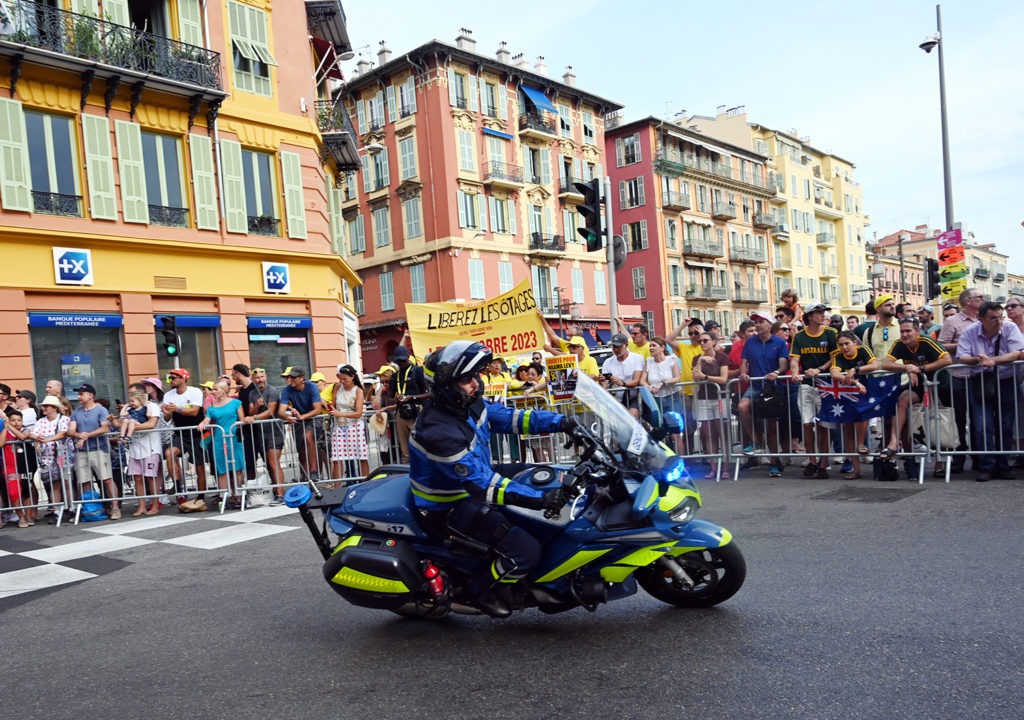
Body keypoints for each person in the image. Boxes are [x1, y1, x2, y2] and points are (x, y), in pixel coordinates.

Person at [408, 340, 577, 617]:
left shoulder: (469, 406)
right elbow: (481, 485)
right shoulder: (437, 431)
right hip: (449, 504)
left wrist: (562, 423)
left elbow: (512, 418)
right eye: (466, 379)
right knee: (525, 549)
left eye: (475, 375)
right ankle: (481, 589)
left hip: (475, 482)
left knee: (544, 478)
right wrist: (540, 500)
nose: (475, 383)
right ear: (444, 387)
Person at [955, 301, 1024, 481]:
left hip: (1007, 381)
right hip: (980, 381)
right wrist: (978, 360)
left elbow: (1016, 353)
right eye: (993, 318)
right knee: (982, 424)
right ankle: (986, 465)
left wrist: (993, 360)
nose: (998, 321)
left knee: (1006, 424)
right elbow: (962, 356)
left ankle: (1003, 465)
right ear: (980, 318)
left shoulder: (1009, 328)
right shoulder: (970, 331)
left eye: (1000, 317)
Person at [880, 317, 951, 476]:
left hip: (939, 385)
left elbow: (947, 359)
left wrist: (921, 368)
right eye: (902, 331)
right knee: (902, 400)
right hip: (919, 386)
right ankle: (893, 444)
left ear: (917, 331)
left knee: (937, 421)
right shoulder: (899, 344)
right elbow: (885, 363)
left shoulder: (926, 341)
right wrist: (908, 368)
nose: (904, 334)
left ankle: (939, 462)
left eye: (908, 331)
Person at [938, 287, 986, 473]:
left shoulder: (984, 318)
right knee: (958, 418)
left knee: (979, 418)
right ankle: (959, 456)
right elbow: (941, 346)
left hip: (980, 376)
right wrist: (963, 345)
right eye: (979, 297)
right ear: (968, 301)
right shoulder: (953, 321)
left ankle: (978, 457)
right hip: (959, 376)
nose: (983, 299)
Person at [789, 303, 839, 479]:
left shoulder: (831, 333)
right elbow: (794, 360)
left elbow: (835, 357)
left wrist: (819, 369)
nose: (822, 315)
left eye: (823, 312)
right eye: (818, 312)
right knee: (807, 424)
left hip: (825, 384)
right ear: (809, 316)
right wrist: (795, 374)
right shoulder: (800, 337)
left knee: (823, 426)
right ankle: (812, 460)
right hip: (806, 385)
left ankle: (824, 463)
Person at [738, 312, 790, 477]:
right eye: (756, 322)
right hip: (755, 386)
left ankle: (774, 463)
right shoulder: (750, 342)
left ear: (769, 324)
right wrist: (743, 373)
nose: (758, 325)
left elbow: (783, 365)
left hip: (773, 388)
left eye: (761, 322)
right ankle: (756, 442)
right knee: (742, 406)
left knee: (771, 427)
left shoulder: (780, 342)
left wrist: (776, 372)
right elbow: (744, 363)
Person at [830, 331, 879, 479]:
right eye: (841, 345)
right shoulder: (838, 356)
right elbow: (834, 373)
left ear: (855, 343)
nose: (844, 347)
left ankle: (861, 443)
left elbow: (875, 365)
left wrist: (856, 370)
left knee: (862, 415)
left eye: (847, 344)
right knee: (848, 429)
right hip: (847, 393)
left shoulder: (863, 350)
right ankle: (856, 469)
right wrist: (854, 381)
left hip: (864, 392)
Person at [235, 364, 286, 504]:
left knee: (273, 462)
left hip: (274, 431)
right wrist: (256, 406)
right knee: (266, 463)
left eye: (262, 377)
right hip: (259, 433)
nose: (260, 380)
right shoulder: (252, 393)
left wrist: (255, 418)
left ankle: (280, 494)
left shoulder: (272, 391)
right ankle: (273, 491)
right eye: (257, 377)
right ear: (253, 378)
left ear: (266, 377)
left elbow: (270, 411)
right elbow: (251, 412)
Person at [68, 383, 120, 519]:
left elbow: (105, 428)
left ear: (90, 395)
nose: (78, 396)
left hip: (98, 449)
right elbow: (71, 430)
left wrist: (86, 435)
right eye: (78, 394)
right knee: (84, 481)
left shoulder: (101, 410)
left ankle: (115, 507)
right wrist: (79, 435)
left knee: (106, 479)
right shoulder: (76, 412)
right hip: (82, 451)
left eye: (81, 394)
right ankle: (89, 510)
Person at [161, 368, 209, 508]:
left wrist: (178, 409)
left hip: (196, 433)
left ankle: (201, 496)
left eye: (174, 378)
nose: (171, 380)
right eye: (170, 378)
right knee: (170, 453)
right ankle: (178, 486)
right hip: (180, 432)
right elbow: (168, 417)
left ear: (183, 379)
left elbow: (194, 411)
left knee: (199, 467)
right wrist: (167, 413)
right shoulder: (168, 395)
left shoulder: (195, 391)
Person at [377, 346, 428, 465]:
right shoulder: (395, 376)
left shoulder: (418, 371)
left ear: (408, 358)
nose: (400, 363)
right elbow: (388, 398)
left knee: (422, 445)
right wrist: (395, 399)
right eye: (398, 361)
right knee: (405, 449)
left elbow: (430, 392)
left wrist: (413, 397)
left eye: (402, 360)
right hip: (401, 413)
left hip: (418, 410)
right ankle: (408, 475)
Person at [690, 331, 731, 478]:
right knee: (709, 434)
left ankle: (725, 467)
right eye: (700, 341)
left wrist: (706, 377)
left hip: (720, 398)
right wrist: (701, 361)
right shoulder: (697, 358)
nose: (702, 343)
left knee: (723, 433)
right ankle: (713, 468)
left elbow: (724, 378)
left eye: (705, 340)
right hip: (703, 399)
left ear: (713, 342)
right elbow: (696, 378)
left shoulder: (722, 357)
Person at [197, 380, 245, 504]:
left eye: (215, 389)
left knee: (237, 468)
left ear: (224, 391)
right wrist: (202, 423)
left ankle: (238, 495)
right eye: (213, 389)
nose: (213, 392)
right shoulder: (212, 406)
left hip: (234, 437)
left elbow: (242, 419)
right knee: (222, 469)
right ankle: (224, 498)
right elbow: (207, 419)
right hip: (219, 439)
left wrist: (241, 426)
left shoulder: (236, 403)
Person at [115, 389, 162, 515]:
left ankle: (155, 505)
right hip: (136, 448)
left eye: (132, 397)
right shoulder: (131, 409)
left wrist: (131, 426)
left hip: (150, 447)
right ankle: (141, 506)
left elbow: (151, 424)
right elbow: (119, 424)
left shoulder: (151, 406)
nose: (130, 401)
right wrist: (114, 420)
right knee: (137, 478)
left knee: (150, 477)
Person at [278, 366, 324, 482]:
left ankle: (314, 471)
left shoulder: (311, 386)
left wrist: (302, 416)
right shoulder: (287, 390)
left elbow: (318, 409)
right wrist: (286, 417)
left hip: (313, 418)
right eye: (289, 377)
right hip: (298, 421)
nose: (290, 379)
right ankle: (305, 479)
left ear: (302, 378)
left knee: (308, 436)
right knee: (302, 452)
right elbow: (280, 411)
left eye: (294, 377)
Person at [30, 396, 71, 523]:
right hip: (47, 457)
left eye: (46, 406)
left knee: (67, 483)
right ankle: (56, 510)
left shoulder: (64, 419)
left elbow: (63, 433)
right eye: (43, 406)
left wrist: (47, 439)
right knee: (54, 485)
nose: (43, 408)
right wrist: (37, 437)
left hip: (63, 455)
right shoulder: (41, 421)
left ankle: (71, 508)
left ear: (54, 408)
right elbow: (32, 433)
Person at [329, 365, 369, 480]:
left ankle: (366, 482)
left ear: (352, 377)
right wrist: (330, 410)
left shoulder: (358, 390)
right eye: (340, 378)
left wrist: (340, 413)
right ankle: (336, 487)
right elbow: (334, 405)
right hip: (339, 425)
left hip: (355, 426)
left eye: (344, 379)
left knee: (361, 456)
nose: (342, 381)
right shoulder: (338, 386)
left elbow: (358, 413)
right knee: (336, 458)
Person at [598, 333, 644, 416]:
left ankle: (641, 425)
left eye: (619, 347)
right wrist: (602, 381)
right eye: (614, 347)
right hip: (616, 398)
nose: (616, 350)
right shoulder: (608, 362)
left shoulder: (637, 358)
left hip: (633, 397)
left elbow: (636, 381)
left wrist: (622, 383)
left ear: (626, 345)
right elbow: (605, 385)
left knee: (634, 414)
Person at [641, 336, 682, 416]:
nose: (651, 348)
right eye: (650, 346)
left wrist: (663, 383)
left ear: (662, 347)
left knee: (674, 423)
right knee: (659, 425)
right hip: (655, 398)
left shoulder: (671, 359)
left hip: (672, 397)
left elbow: (677, 378)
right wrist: (649, 387)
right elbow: (642, 381)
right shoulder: (649, 361)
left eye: (654, 345)